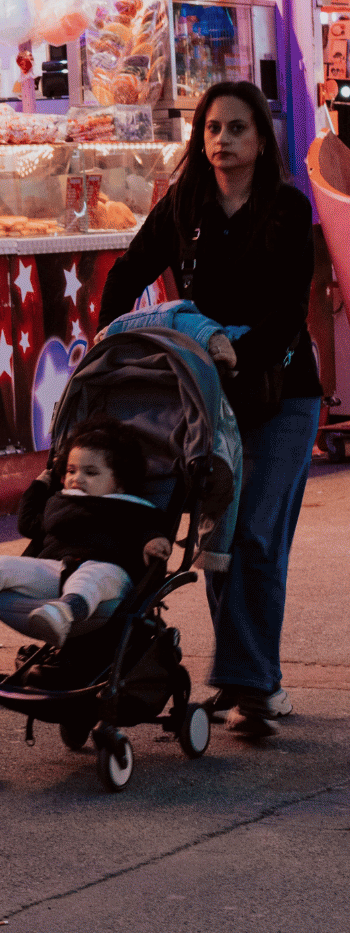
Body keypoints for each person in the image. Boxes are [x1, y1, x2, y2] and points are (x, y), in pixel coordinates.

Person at [97, 78, 322, 736]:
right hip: (207, 397)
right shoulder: (185, 204)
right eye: (213, 129)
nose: (223, 140)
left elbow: (287, 311)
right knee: (218, 538)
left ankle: (252, 683)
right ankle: (250, 679)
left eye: (237, 129)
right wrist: (108, 346)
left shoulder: (285, 208)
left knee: (254, 533)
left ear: (260, 140)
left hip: (281, 396)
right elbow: (124, 277)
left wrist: (237, 357)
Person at [0, 418, 175, 649]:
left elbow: (149, 528)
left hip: (110, 579)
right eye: (71, 470)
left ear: (121, 482)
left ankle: (64, 613)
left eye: (91, 473)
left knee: (93, 574)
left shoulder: (132, 508)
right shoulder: (61, 501)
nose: (77, 479)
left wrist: (153, 541)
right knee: (2, 564)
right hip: (55, 571)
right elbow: (29, 524)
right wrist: (41, 485)